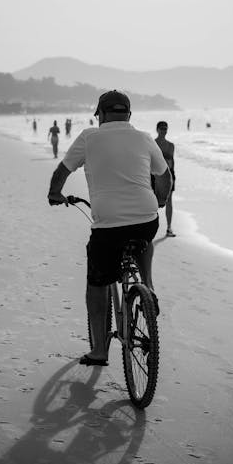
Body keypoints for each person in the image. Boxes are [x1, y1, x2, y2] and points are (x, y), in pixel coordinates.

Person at [48, 90, 172, 366]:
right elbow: (165, 177)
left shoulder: (89, 137)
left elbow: (62, 171)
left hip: (108, 227)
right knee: (143, 236)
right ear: (128, 115)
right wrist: (160, 201)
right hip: (146, 218)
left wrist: (55, 194)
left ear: (101, 115)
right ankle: (147, 286)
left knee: (98, 282)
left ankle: (100, 351)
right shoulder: (144, 138)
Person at [154, 121, 176, 237]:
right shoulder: (152, 143)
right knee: (153, 201)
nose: (164, 131)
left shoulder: (171, 145)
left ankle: (169, 227)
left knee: (169, 201)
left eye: (165, 128)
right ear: (157, 129)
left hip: (169, 174)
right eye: (161, 128)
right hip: (154, 175)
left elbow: (170, 161)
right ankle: (152, 227)